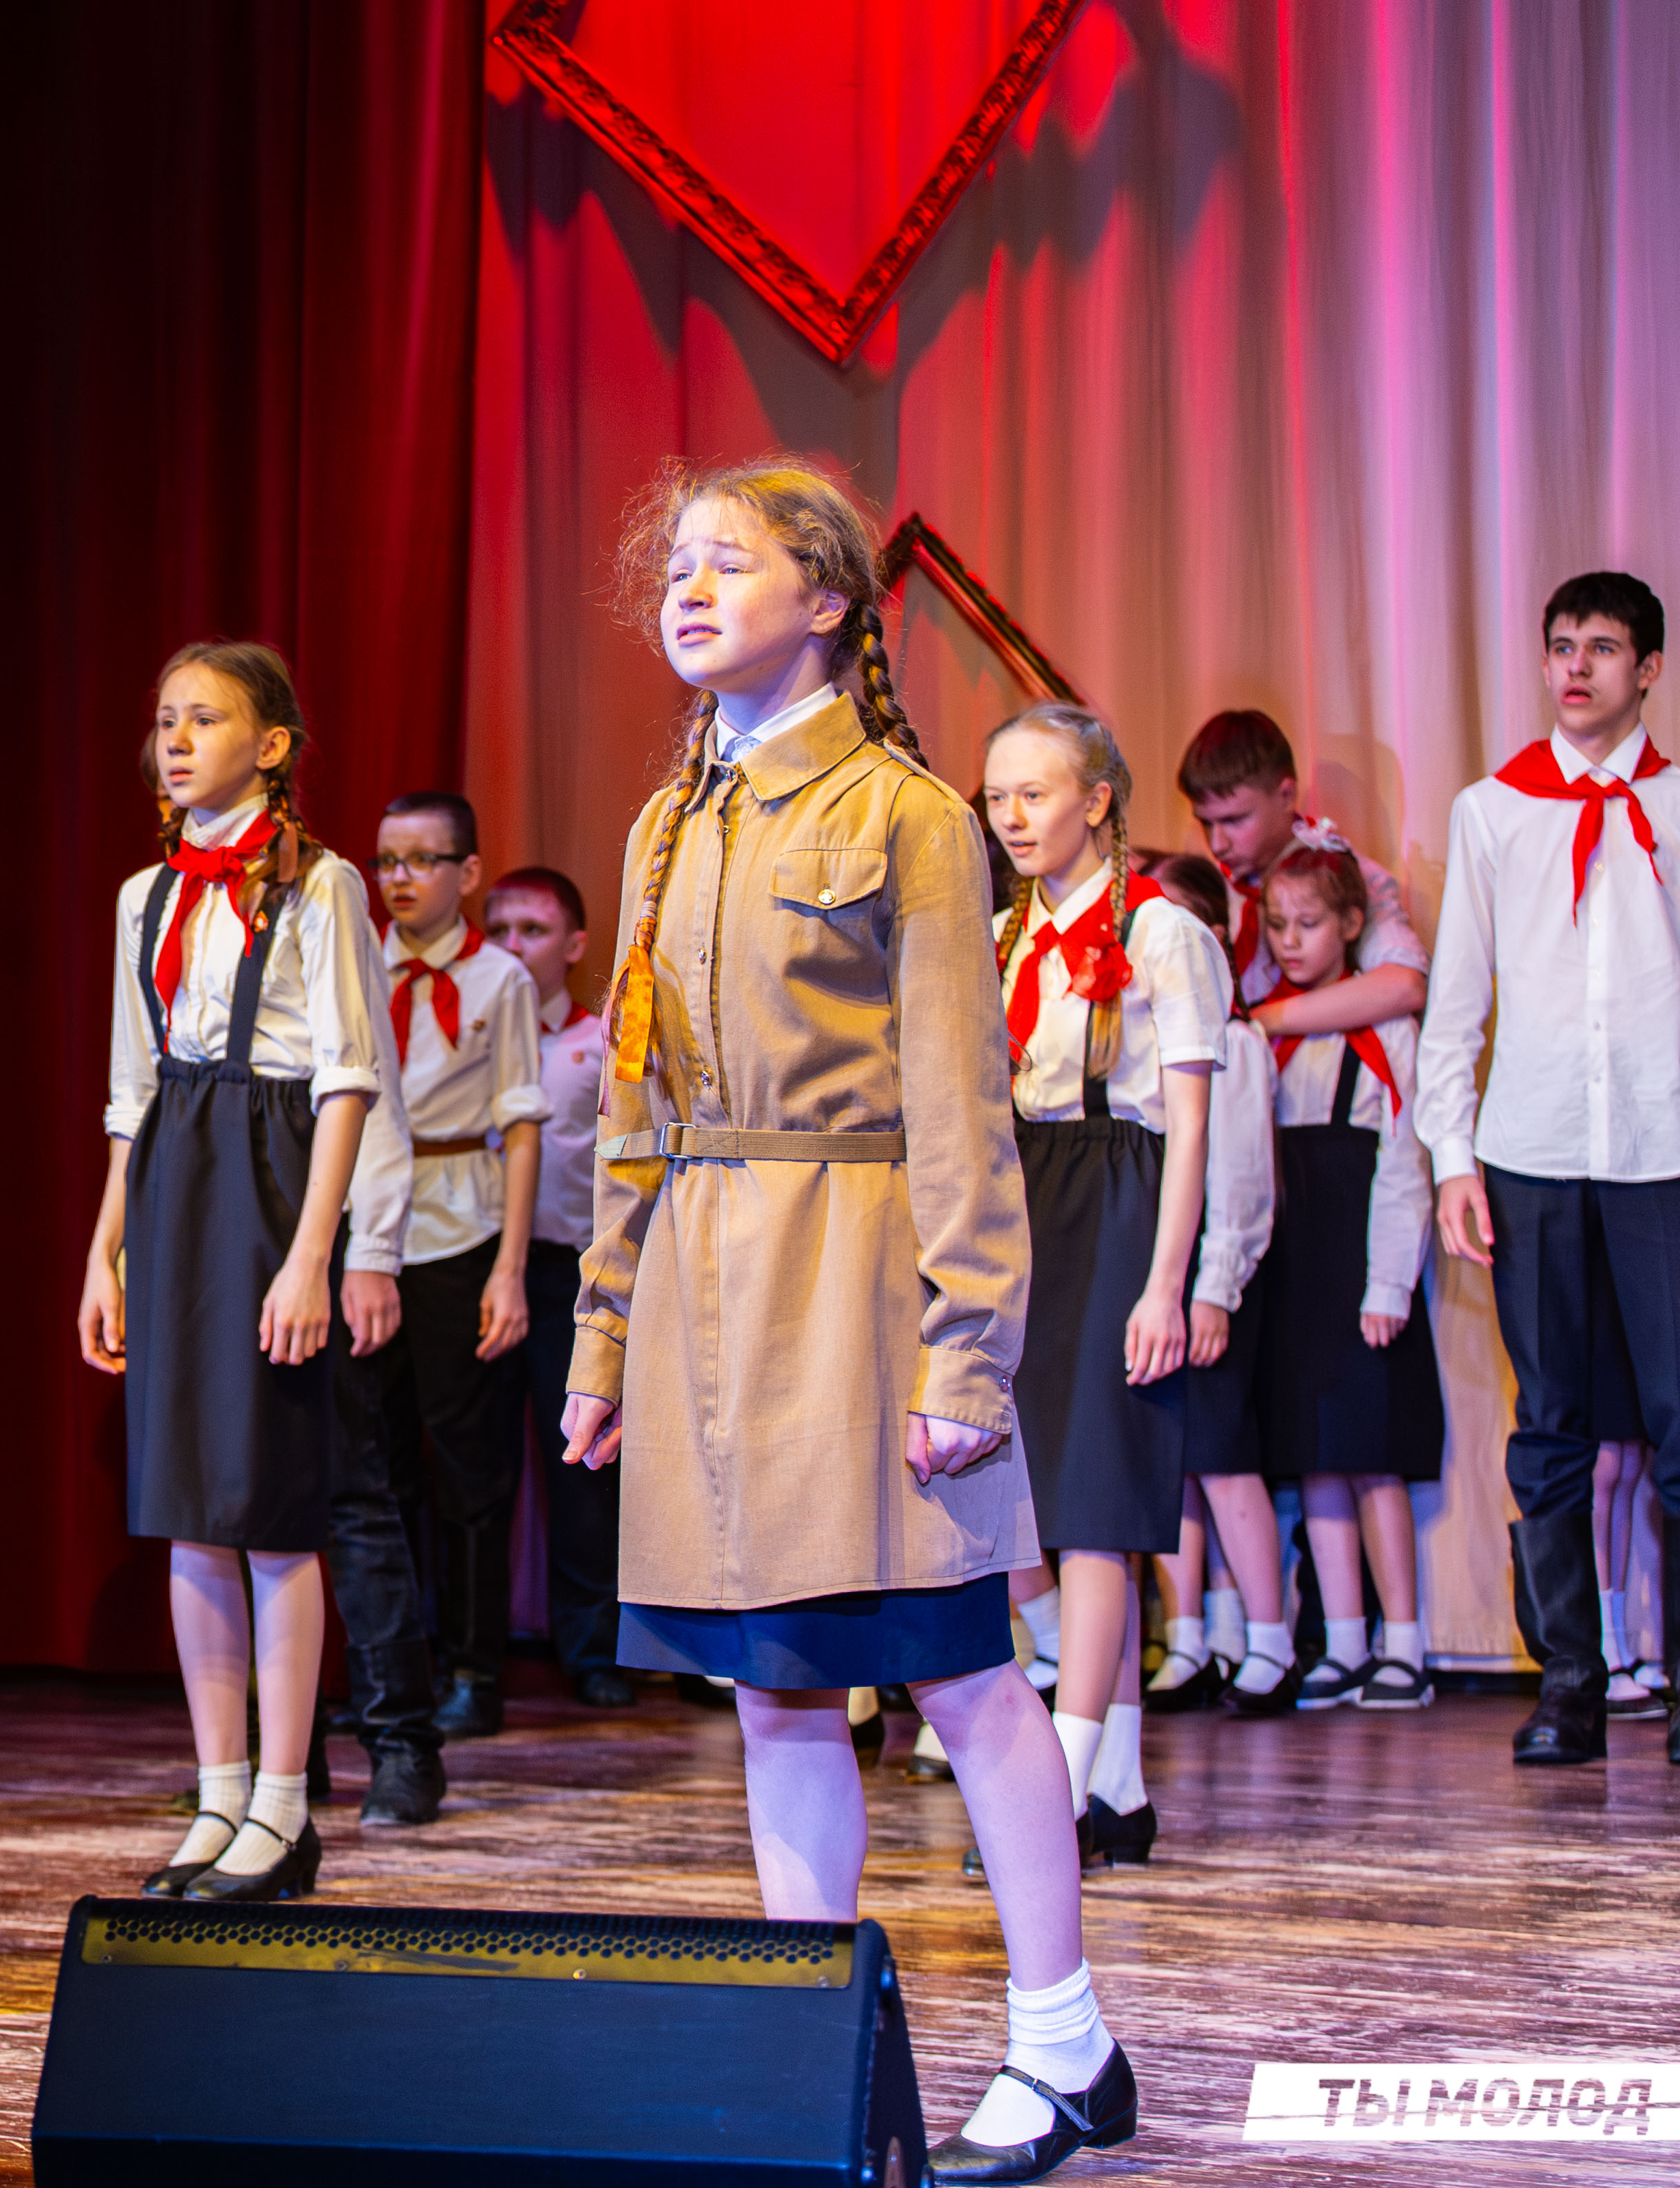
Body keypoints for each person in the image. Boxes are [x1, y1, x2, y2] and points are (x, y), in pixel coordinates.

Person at [566, 457, 1128, 2181]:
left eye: (726, 563)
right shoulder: (665, 826)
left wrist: (967, 1350)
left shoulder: (906, 814)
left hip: (861, 1287)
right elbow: (634, 1105)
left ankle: (1065, 2045)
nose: (686, 589)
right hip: (702, 1297)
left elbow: (964, 1108)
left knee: (959, 1670)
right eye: (674, 566)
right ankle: (808, 2051)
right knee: (771, 1693)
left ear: (825, 601)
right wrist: (602, 1335)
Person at [1420, 569, 1680, 1771]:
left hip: (1668, 1151)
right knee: (1551, 1422)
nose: (1575, 667)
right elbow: (1455, 999)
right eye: (1561, 645)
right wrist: (1451, 1156)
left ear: (1649, 668)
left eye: (1602, 647)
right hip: (1530, 1151)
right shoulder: (1491, 811)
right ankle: (1567, 1681)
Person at [81, 641, 409, 1904]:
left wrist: (314, 1253)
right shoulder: (143, 896)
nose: (174, 740)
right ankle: (217, 1793)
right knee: (188, 1511)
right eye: (165, 718)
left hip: (272, 1179)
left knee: (269, 1509)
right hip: (175, 1175)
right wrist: (105, 1248)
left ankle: (284, 1802)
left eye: (204, 719)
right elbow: (133, 1089)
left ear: (270, 745)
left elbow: (348, 1079)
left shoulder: (321, 886)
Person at [980, 704, 1232, 1876]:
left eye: (1034, 792)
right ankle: (1117, 1789)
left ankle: (1061, 1789)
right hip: (1024, 1199)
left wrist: (1169, 1281)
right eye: (997, 797)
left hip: (1121, 1195)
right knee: (1023, 1503)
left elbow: (1192, 1123)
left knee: (1092, 1508)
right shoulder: (1001, 933)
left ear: (1096, 799)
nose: (1012, 815)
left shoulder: (1162, 929)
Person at [331, 796, 542, 1800]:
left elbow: (524, 1125)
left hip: (462, 1228)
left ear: (469, 873)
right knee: (377, 1468)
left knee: (470, 1469)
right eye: (387, 862)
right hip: (370, 1231)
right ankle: (390, 1671)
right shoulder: (354, 965)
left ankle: (472, 1671)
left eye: (423, 861)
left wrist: (510, 1268)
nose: (401, 880)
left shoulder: (500, 979)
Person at [1240, 840, 1444, 1709]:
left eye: (1310, 924)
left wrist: (1390, 1284)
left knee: (1371, 1460)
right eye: (1277, 924)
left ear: (1353, 924)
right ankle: (1346, 1643)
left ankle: (1406, 1645)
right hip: (1295, 1273)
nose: (1290, 941)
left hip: (1360, 1275)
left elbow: (1405, 1166)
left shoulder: (1385, 1033)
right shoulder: (1265, 1033)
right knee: (1314, 1459)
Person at [1129, 853, 1295, 1716]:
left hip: (1210, 1272)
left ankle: (1270, 1638)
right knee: (1173, 1464)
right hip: (1161, 1257)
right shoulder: (1146, 1041)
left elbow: (1239, 1176)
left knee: (1226, 1460)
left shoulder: (1233, 1041)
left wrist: (1214, 1287)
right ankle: (1190, 1634)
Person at [484, 867, 629, 1715]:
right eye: (499, 929)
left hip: (570, 1272)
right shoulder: (465, 1027)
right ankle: (468, 1650)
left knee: (579, 1465)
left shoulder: (595, 1040)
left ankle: (594, 1648)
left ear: (574, 946)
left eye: (532, 931)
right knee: (480, 1465)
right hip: (481, 1268)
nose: (512, 946)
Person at [1175, 710, 1428, 1044]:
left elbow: (1405, 985)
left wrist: (1258, 1023)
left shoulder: (1343, 877)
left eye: (1235, 820)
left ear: (1286, 795)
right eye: (1206, 823)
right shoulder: (1207, 882)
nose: (1218, 844)